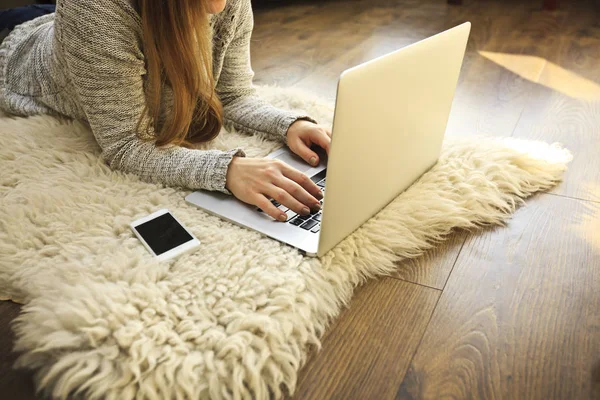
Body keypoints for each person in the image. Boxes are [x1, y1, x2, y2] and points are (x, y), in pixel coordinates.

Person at [0, 0, 331, 222]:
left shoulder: (228, 4)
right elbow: (125, 145)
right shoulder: (92, 12)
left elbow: (231, 95)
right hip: (18, 47)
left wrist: (288, 124)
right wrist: (226, 170)